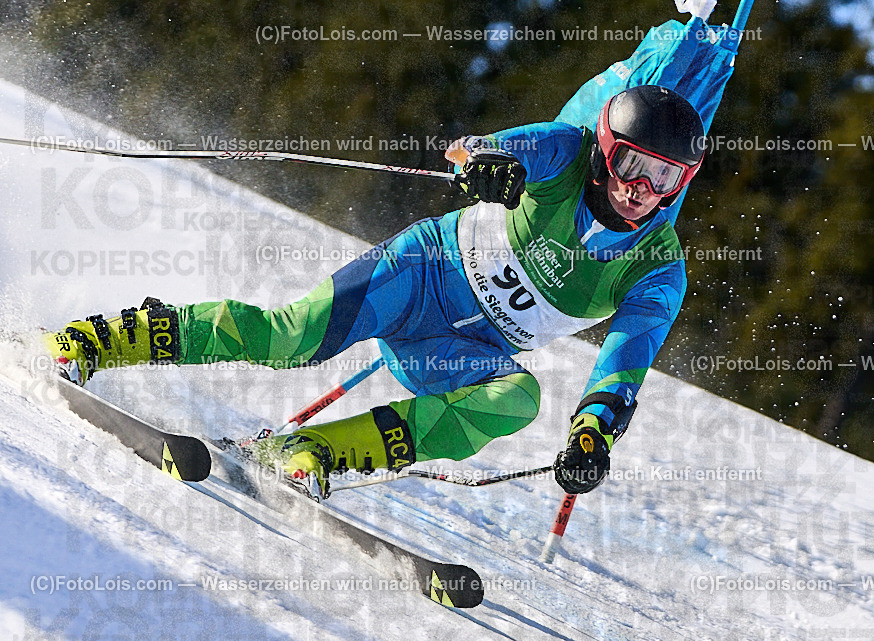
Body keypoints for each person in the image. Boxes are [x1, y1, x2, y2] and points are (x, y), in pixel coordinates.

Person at [42, 3, 738, 500]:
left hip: (458, 353)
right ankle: (106, 337)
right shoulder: (567, 153)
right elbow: (483, 145)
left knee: (516, 398)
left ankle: (311, 451)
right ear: (607, 152)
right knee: (293, 338)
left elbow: (622, 366)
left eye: (667, 179)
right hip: (420, 274)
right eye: (635, 167)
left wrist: (593, 434)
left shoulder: (658, 268)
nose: (645, 191)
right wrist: (481, 163)